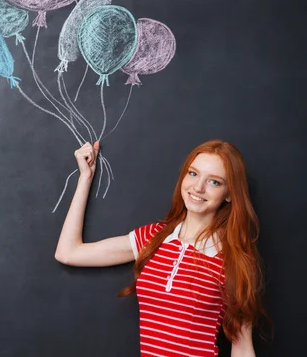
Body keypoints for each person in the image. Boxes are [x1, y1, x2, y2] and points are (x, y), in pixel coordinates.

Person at [55, 139, 270, 357]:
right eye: (193, 174)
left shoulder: (235, 259)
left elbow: (242, 348)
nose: (198, 187)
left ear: (230, 194)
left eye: (214, 182)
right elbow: (68, 252)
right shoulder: (154, 237)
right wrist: (85, 177)